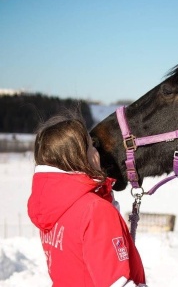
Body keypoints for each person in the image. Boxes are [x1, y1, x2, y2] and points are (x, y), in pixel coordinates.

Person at [27, 112, 147, 287]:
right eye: (92, 146)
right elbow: (117, 283)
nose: (98, 152)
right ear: (78, 156)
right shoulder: (95, 210)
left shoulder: (52, 207)